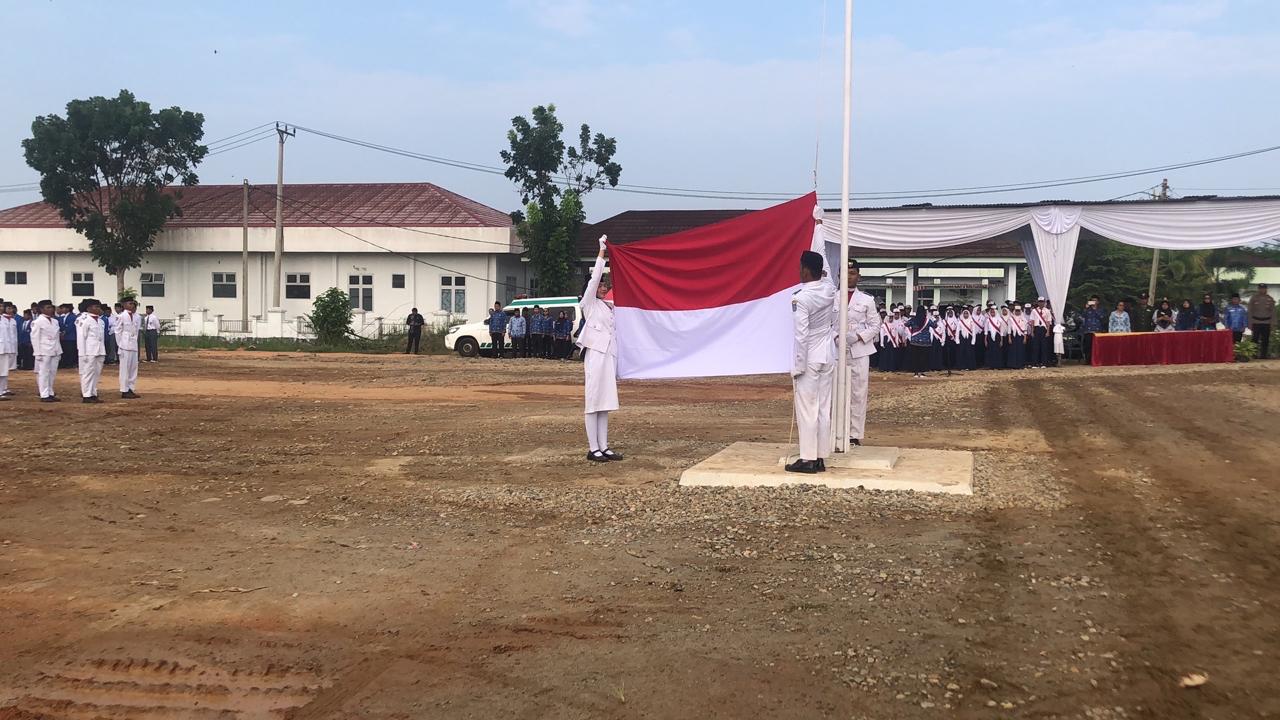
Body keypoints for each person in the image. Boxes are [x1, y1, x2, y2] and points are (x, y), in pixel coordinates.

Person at [787, 250, 835, 472]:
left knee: (808, 409)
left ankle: (807, 459)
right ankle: (820, 457)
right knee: (824, 408)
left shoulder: (801, 298)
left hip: (809, 358)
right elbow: (826, 279)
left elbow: (801, 336)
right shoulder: (829, 290)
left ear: (805, 270)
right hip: (827, 355)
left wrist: (797, 366)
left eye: (800, 267)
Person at [580, 235, 623, 462]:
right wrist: (601, 253)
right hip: (595, 356)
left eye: (605, 285)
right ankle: (593, 447)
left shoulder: (608, 307)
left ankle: (604, 446)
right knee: (593, 402)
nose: (602, 287)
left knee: (605, 403)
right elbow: (595, 278)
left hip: (609, 356)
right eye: (599, 285)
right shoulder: (589, 304)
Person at [839, 259, 878, 447]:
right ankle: (838, 430)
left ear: (859, 276)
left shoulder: (867, 300)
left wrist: (859, 337)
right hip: (837, 349)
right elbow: (827, 323)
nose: (849, 276)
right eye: (846, 273)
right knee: (837, 392)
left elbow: (875, 325)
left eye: (853, 273)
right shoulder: (832, 297)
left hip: (860, 351)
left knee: (858, 393)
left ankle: (854, 434)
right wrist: (836, 337)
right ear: (839, 276)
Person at [76, 299, 107, 403]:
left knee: (96, 373)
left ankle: (93, 393)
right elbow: (81, 337)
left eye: (99, 307)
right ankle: (86, 395)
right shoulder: (84, 320)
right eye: (96, 307)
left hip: (99, 350)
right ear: (89, 308)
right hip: (88, 351)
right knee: (87, 373)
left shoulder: (101, 321)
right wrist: (82, 353)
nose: (98, 309)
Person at [31, 300, 61, 402]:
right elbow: (35, 338)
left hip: (55, 350)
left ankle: (50, 392)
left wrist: (58, 350)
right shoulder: (37, 322)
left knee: (52, 373)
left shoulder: (55, 321)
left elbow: (56, 337)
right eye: (47, 307)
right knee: (43, 373)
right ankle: (44, 394)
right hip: (43, 350)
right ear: (41, 309)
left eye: (51, 307)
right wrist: (37, 353)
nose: (50, 309)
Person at [114, 296, 142, 399]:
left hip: (133, 344)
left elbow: (137, 331)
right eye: (130, 303)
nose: (132, 305)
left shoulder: (137, 317)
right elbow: (117, 331)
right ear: (124, 305)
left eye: (133, 303)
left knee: (133, 368)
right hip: (124, 345)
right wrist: (120, 345)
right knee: (125, 369)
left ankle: (131, 388)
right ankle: (124, 390)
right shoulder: (121, 316)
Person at [904, 305, 934, 378]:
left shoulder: (913, 319)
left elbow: (906, 324)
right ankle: (922, 373)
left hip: (915, 342)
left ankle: (916, 373)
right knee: (923, 358)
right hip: (925, 342)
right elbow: (935, 325)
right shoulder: (927, 320)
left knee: (915, 358)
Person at [1248, 283, 1274, 358]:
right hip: (1256, 322)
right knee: (1254, 339)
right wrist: (1250, 322)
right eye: (1260, 288)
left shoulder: (1270, 299)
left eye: (1264, 288)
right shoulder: (1253, 298)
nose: (1262, 290)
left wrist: (1272, 323)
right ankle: (1253, 355)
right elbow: (1250, 311)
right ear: (1258, 289)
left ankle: (1263, 355)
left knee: (1265, 339)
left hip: (1266, 322)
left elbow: (1273, 312)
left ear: (1266, 289)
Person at [1028, 296, 1053, 368]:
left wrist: (1048, 331)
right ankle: (1035, 363)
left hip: (1043, 329)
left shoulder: (1047, 311)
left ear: (1044, 302)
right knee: (1035, 347)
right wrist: (1032, 331)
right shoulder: (1034, 311)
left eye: (1042, 302)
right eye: (1040, 302)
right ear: (1038, 302)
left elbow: (1048, 322)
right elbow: (1032, 321)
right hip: (1036, 328)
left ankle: (1044, 363)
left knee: (1044, 347)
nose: (1041, 303)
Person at [1080, 295, 1106, 364]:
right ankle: (1088, 360)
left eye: (1095, 300)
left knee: (1097, 346)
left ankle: (1097, 360)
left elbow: (1102, 317)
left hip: (1097, 330)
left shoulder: (1101, 309)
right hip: (1088, 330)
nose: (1094, 302)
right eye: (1092, 300)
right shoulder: (1087, 309)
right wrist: (1086, 308)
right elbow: (1082, 316)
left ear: (1098, 302)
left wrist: (1095, 310)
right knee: (1088, 346)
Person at [0, 304, 16, 399]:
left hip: (5, 348)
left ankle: (1, 391)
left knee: (3, 371)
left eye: (2, 306)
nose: (1, 308)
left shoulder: (5, 320)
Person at [1007, 305, 1028, 370]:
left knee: (1020, 350)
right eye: (1016, 311)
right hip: (1013, 336)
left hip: (1021, 336)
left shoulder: (1023, 319)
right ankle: (1013, 364)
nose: (1017, 312)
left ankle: (1020, 364)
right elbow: (1009, 329)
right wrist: (1009, 338)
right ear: (1014, 311)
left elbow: (1025, 329)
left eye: (1018, 311)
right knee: (1013, 350)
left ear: (1020, 311)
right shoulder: (1011, 319)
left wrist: (1025, 338)